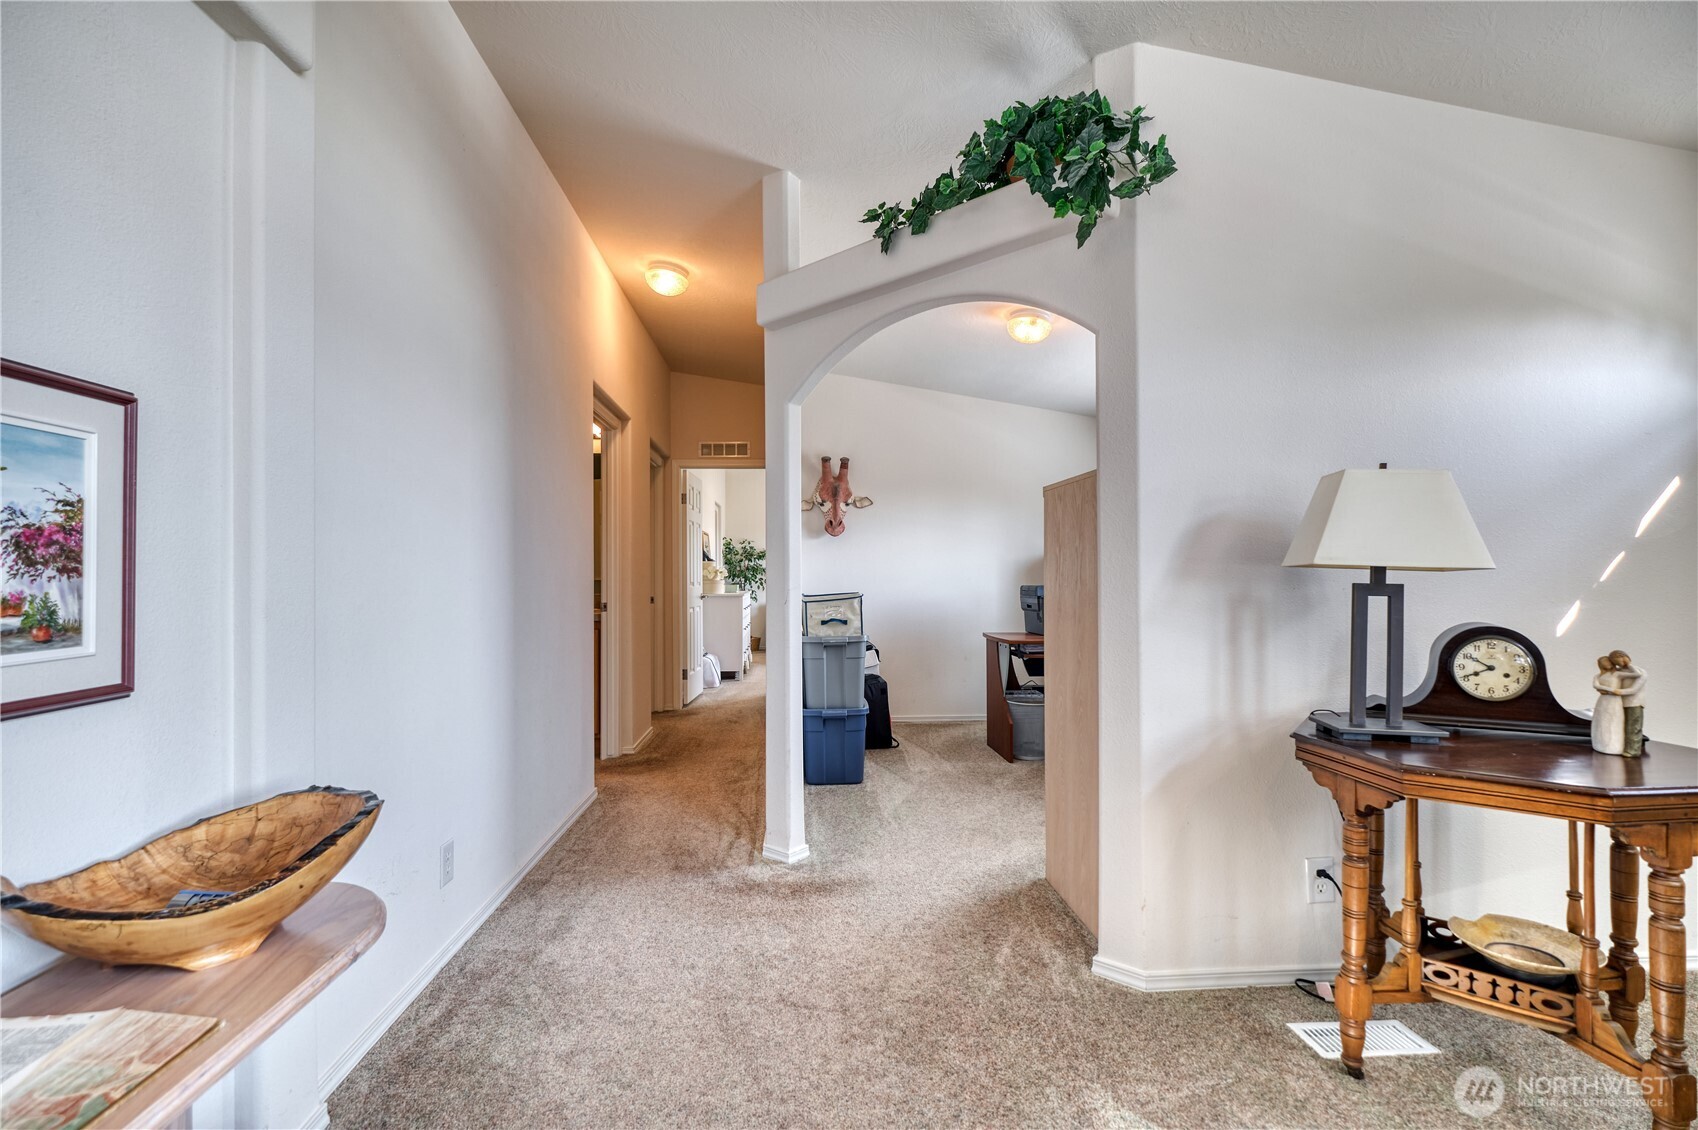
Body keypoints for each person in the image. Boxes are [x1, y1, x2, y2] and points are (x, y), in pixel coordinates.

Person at [1592, 652, 1646, 756]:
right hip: (1617, 701)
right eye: (1615, 662)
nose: (1619, 664)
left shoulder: (1639, 671)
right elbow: (1596, 685)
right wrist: (1606, 690)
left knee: (1633, 726)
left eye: (1618, 661)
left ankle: (1632, 750)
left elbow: (1634, 688)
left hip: (1632, 701)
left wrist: (1614, 691)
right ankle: (1607, 744)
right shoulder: (1616, 672)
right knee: (1611, 723)